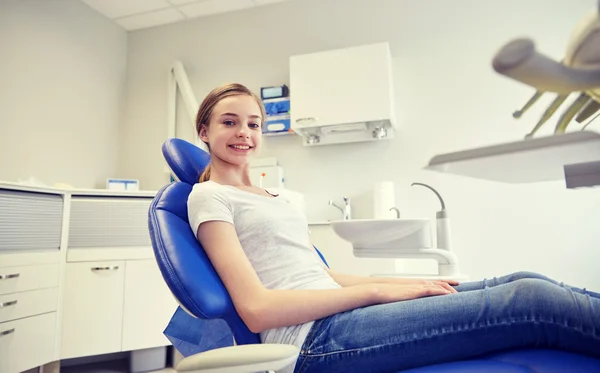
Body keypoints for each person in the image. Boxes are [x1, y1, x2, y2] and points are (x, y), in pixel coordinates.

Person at [187, 82, 600, 373]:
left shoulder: (275, 197)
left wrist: (406, 285)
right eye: (229, 122)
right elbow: (256, 311)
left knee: (521, 278)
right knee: (530, 299)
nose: (244, 132)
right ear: (204, 131)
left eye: (254, 124)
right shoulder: (209, 197)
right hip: (314, 341)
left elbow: (322, 276)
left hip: (342, 315)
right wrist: (376, 292)